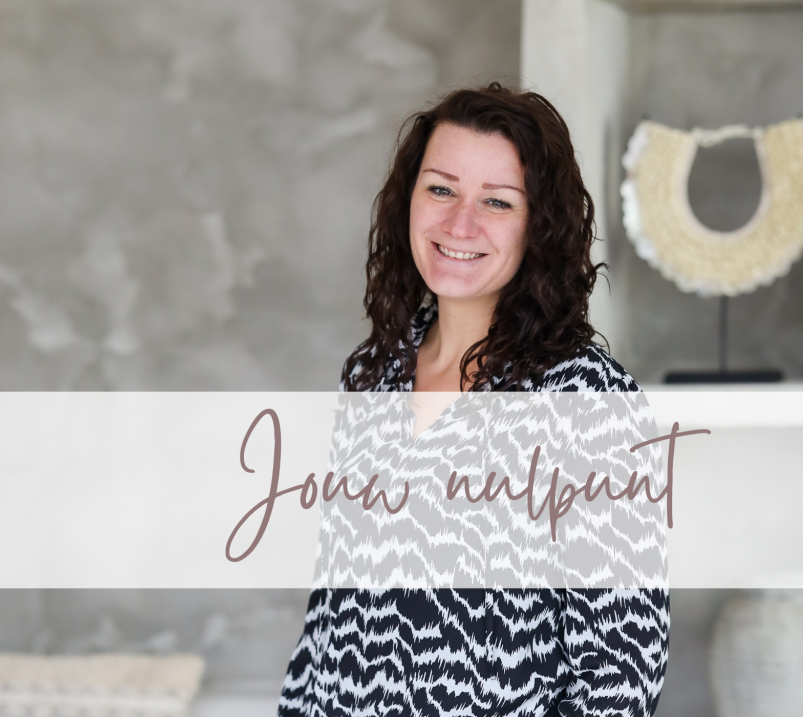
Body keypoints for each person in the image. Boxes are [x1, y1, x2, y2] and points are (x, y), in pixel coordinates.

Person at [279, 83, 669, 716]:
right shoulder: (372, 374)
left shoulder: (585, 400)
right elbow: (328, 625)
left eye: (497, 201)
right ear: (407, 198)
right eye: (441, 189)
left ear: (539, 226)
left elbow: (621, 675)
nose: (460, 224)